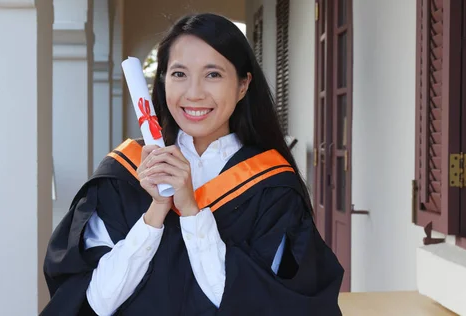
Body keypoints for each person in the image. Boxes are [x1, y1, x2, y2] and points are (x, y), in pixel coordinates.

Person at [40, 13, 343, 316]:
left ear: (243, 85)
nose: (194, 93)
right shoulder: (123, 175)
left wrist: (191, 211)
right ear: (163, 80)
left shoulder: (271, 188)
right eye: (180, 74)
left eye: (213, 74)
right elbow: (98, 302)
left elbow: (261, 304)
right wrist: (156, 209)